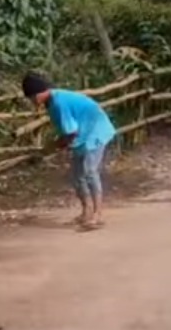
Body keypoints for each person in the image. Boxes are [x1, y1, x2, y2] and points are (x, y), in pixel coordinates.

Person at [22, 72, 117, 229]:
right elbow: (69, 130)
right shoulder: (51, 102)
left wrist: (55, 146)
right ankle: (86, 210)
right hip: (83, 134)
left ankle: (97, 214)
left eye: (32, 98)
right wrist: (59, 144)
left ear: (40, 92)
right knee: (76, 176)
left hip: (95, 131)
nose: (32, 102)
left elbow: (71, 132)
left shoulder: (59, 103)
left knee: (89, 171)